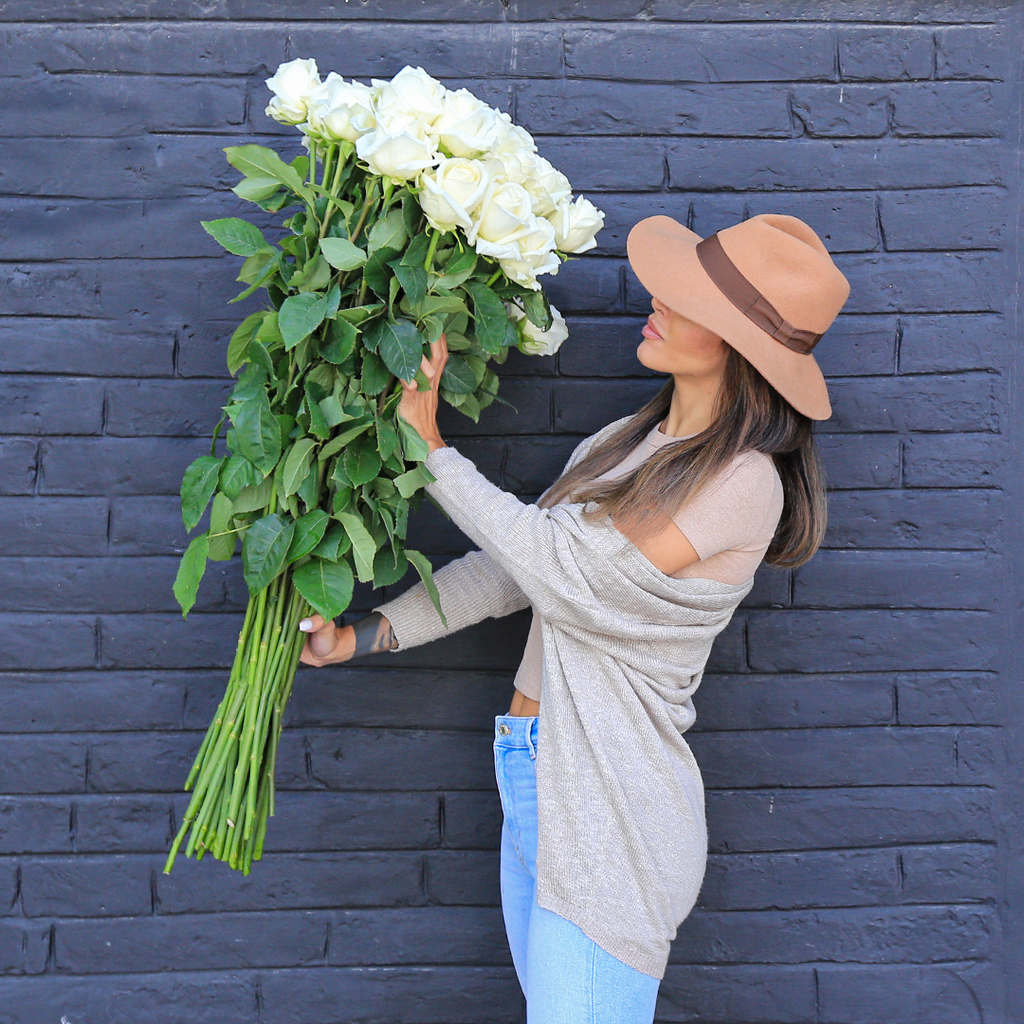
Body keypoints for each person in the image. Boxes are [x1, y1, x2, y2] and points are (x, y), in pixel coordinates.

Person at [296, 213, 850, 1022]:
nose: (657, 301)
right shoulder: (622, 442)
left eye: (687, 300)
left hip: (613, 813)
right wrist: (365, 635)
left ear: (736, 344)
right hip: (535, 774)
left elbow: (571, 574)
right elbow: (510, 573)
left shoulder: (744, 482)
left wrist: (431, 448)